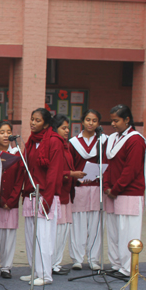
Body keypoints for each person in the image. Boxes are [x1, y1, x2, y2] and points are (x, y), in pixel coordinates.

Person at [20, 108, 64, 286]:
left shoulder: (54, 141)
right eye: (32, 119)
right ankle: (35, 271)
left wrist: (47, 198)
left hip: (46, 195)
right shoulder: (31, 141)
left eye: (37, 120)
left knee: (44, 237)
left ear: (46, 124)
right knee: (31, 236)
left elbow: (54, 172)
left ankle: (45, 274)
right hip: (31, 194)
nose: (33, 123)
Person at [104, 104, 146, 278]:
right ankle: (116, 264)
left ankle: (128, 267)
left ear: (127, 119)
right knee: (114, 232)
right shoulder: (113, 139)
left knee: (128, 232)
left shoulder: (135, 140)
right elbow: (108, 165)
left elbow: (131, 169)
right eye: (111, 120)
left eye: (116, 120)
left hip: (129, 193)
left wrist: (116, 189)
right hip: (113, 192)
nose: (113, 124)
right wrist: (107, 186)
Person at [68, 109, 104, 271]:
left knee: (95, 224)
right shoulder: (74, 142)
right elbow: (70, 164)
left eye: (94, 120)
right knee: (78, 224)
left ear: (98, 123)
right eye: (88, 120)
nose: (91, 123)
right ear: (82, 121)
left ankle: (93, 258)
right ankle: (77, 258)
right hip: (79, 187)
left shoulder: (102, 141)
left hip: (96, 187)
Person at [0, 121, 24, 280]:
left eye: (8, 132)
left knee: (9, 235)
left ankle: (6, 267)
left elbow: (19, 179)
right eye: (1, 132)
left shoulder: (17, 154)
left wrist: (10, 200)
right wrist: (0, 199)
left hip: (11, 203)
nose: (5, 135)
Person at [51, 114, 82, 276]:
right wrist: (71, 174)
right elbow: (53, 171)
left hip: (67, 193)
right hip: (58, 194)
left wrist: (76, 177)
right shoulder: (55, 145)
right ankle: (51, 263)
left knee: (63, 230)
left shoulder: (66, 146)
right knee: (56, 230)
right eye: (63, 128)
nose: (67, 131)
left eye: (67, 128)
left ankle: (57, 262)